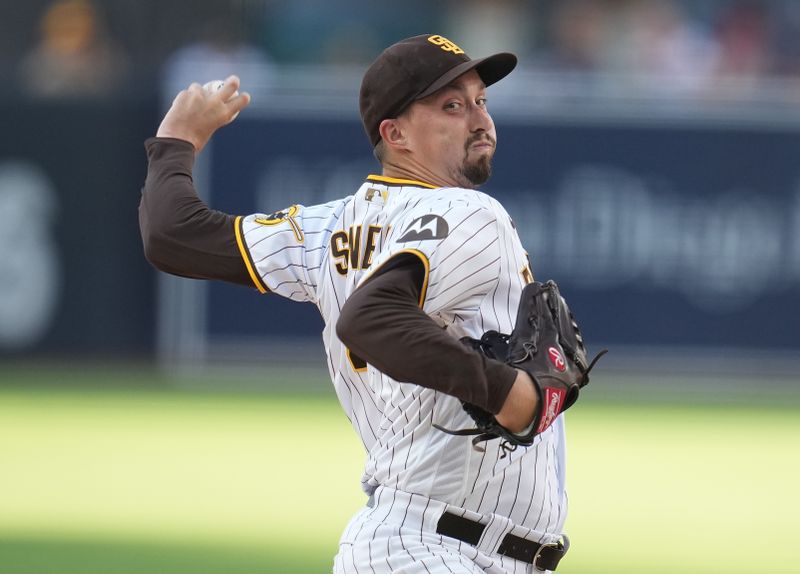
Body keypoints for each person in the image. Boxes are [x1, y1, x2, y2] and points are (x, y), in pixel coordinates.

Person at [140, 34, 571, 573]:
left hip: (421, 544)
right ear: (395, 134)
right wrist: (510, 393)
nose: (480, 120)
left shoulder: (324, 230)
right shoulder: (471, 212)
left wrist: (177, 139)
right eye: (452, 106)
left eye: (480, 101)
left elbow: (173, 234)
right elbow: (369, 318)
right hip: (434, 549)